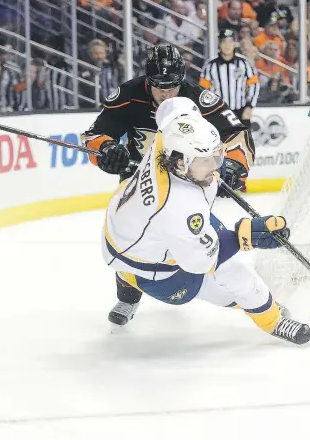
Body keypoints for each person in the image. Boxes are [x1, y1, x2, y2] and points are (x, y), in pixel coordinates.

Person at [101, 98, 310, 345]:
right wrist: (244, 236)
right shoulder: (177, 206)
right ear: (180, 162)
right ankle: (272, 319)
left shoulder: (168, 136)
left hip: (124, 230)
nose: (215, 166)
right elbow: (204, 260)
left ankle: (127, 288)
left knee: (148, 245)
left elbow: (175, 106)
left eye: (217, 155)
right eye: (206, 160)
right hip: (157, 274)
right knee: (234, 271)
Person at [81, 44, 257, 325]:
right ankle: (128, 297)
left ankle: (245, 293)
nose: (166, 93)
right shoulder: (128, 94)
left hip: (189, 182)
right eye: (159, 86)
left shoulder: (199, 98)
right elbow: (94, 135)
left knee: (197, 234)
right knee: (132, 236)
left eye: (172, 86)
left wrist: (235, 165)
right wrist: (107, 151)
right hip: (140, 180)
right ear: (148, 80)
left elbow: (237, 134)